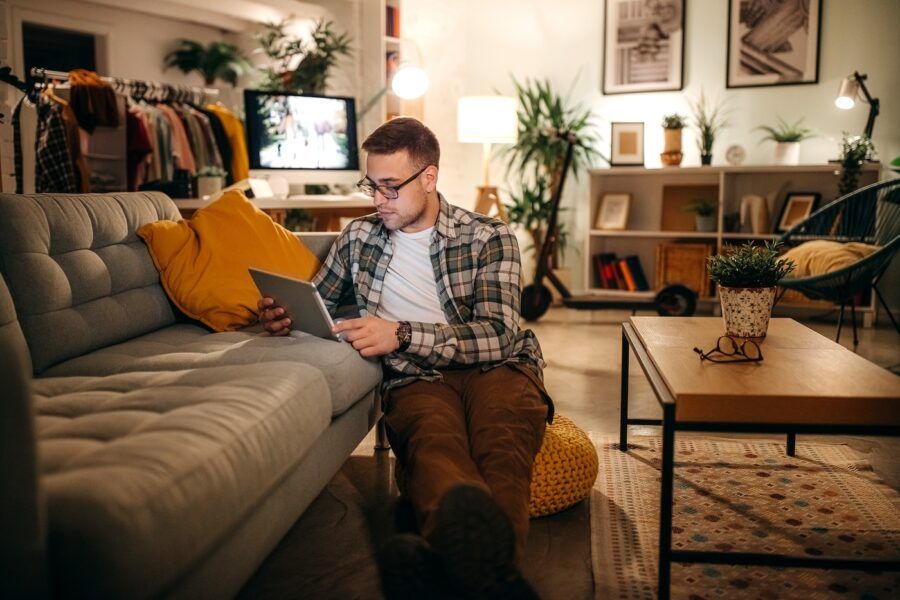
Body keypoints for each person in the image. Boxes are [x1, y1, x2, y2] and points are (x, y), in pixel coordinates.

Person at [257, 117, 552, 599]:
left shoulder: (488, 237)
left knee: (502, 447)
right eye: (372, 186)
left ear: (429, 178)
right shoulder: (359, 237)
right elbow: (320, 302)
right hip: (417, 379)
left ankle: (457, 575)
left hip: (497, 369)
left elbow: (499, 335)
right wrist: (283, 315)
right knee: (433, 449)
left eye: (391, 187)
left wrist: (400, 333)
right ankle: (497, 585)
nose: (378, 200)